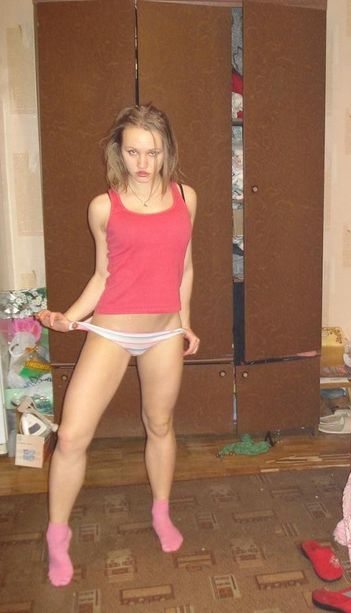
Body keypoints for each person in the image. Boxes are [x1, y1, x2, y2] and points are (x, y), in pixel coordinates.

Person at [36, 104, 199, 587]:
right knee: (70, 436)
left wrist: (186, 324)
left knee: (160, 424)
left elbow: (185, 267)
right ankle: (57, 536)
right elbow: (103, 275)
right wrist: (70, 317)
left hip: (164, 332)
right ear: (118, 151)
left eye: (152, 152)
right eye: (133, 152)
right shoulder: (103, 207)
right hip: (111, 330)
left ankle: (162, 511)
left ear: (167, 150)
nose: (143, 163)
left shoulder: (186, 197)